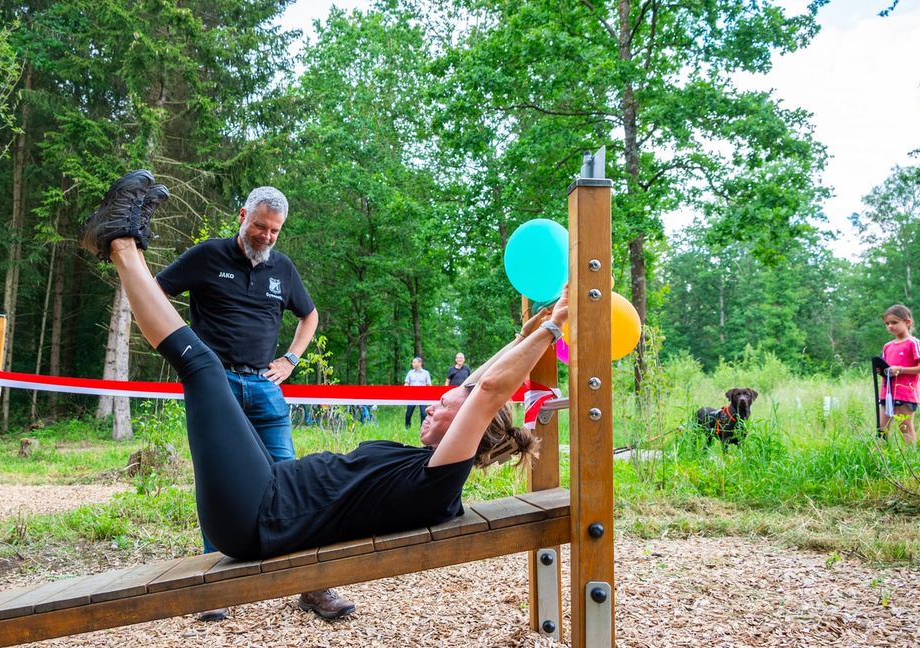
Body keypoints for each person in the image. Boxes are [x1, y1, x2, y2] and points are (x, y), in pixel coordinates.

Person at [80, 170, 567, 567]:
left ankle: (120, 242)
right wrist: (544, 321)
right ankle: (126, 238)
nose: (438, 400)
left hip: (258, 514)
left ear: (467, 428)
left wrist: (553, 336)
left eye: (447, 402)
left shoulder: (439, 482)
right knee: (208, 367)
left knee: (201, 364)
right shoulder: (430, 465)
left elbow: (486, 396)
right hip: (267, 492)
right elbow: (482, 382)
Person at [148, 180, 351, 620]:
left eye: (274, 231)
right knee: (217, 481)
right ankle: (215, 589)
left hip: (264, 386)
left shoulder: (282, 268)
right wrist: (186, 353)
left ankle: (311, 587)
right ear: (243, 216)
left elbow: (309, 314)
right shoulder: (207, 255)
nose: (266, 237)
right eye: (260, 226)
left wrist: (292, 359)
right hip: (215, 387)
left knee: (291, 483)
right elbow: (154, 293)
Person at [878, 304, 920, 444]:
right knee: (882, 429)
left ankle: (911, 462)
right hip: (886, 393)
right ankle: (880, 461)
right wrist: (881, 371)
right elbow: (887, 368)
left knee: (905, 428)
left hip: (906, 393)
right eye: (887, 323)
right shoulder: (887, 346)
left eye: (894, 322)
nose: (890, 326)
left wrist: (901, 369)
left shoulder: (914, 343)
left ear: (907, 322)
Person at [403, 357, 431, 429]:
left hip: (423, 395)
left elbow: (429, 385)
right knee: (408, 413)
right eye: (412, 362)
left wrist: (429, 396)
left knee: (423, 413)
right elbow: (406, 383)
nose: (413, 364)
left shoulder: (426, 373)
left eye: (414, 362)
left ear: (419, 363)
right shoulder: (410, 372)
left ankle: (422, 428)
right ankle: (407, 427)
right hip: (412, 395)